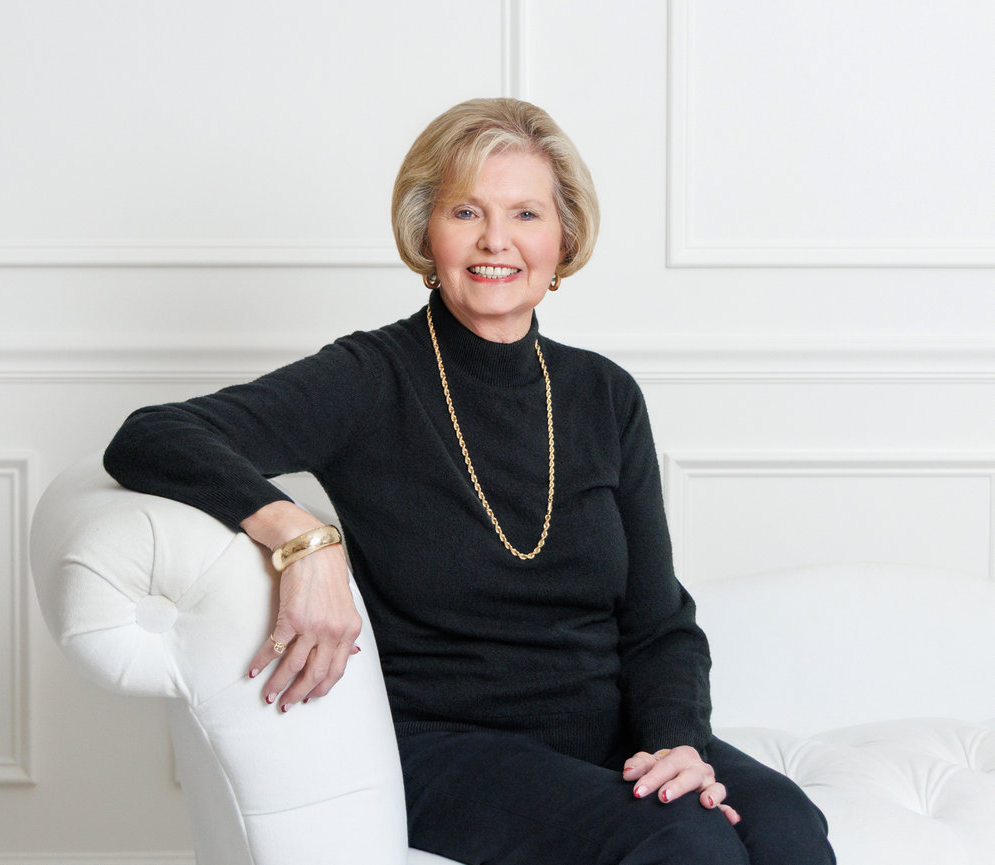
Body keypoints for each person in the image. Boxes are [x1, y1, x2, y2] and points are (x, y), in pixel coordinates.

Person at [104, 97, 834, 865]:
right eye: (465, 211)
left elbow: (657, 622)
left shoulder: (603, 395)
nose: (496, 241)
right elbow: (152, 435)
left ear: (564, 236)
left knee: (786, 826)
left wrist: (676, 742)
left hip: (610, 735)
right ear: (426, 231)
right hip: (449, 750)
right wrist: (301, 538)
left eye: (525, 213)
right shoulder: (369, 377)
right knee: (686, 845)